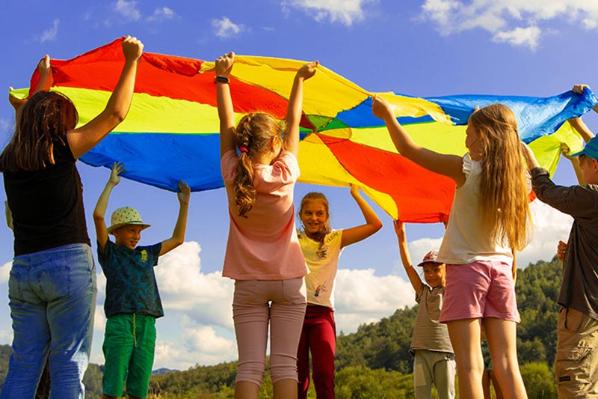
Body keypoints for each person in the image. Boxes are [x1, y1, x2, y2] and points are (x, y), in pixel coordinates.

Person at [0, 36, 143, 399]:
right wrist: (131, 61)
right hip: (67, 266)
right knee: (68, 365)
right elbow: (115, 113)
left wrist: (43, 83)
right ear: (56, 125)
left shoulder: (10, 158)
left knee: (24, 364)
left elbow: (27, 125)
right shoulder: (62, 149)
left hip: (24, 270)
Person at [373, 97, 530, 398]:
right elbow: (520, 150)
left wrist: (388, 116)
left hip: (466, 270)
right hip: (501, 273)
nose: (465, 136)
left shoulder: (467, 169)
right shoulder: (519, 180)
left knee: (471, 364)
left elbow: (410, 150)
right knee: (509, 363)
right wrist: (495, 127)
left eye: (470, 131)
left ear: (485, 136)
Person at [216, 51, 317, 399]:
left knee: (249, 367)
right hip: (289, 282)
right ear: (275, 144)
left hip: (248, 284)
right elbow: (293, 124)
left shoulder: (232, 173)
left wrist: (222, 79)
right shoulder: (285, 173)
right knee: (286, 365)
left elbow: (225, 123)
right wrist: (298, 79)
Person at [521, 84, 598, 398]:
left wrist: (528, 156)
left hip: (584, 312)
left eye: (580, 161)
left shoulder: (591, 197)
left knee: (575, 386)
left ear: (594, 165)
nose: (577, 164)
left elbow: (547, 191)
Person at [93, 163, 190, 399]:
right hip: (120, 323)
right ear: (116, 232)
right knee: (113, 386)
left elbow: (177, 239)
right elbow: (98, 216)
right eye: (130, 231)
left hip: (147, 323)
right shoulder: (110, 252)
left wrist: (184, 204)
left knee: (139, 388)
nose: (136, 236)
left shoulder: (146, 254)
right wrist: (111, 184)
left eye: (139, 231)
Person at [297, 187, 382, 399]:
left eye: (319, 213)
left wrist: (357, 195)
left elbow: (375, 224)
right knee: (297, 376)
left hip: (322, 314)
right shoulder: (292, 236)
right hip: (293, 312)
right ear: (300, 215)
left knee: (324, 374)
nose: (314, 218)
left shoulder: (335, 239)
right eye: (308, 213)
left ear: (327, 216)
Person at [394, 221, 455, 399]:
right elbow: (408, 266)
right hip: (421, 353)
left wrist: (448, 228)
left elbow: (456, 257)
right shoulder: (423, 292)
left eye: (436, 269)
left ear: (446, 268)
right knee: (421, 395)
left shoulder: (451, 290)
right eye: (427, 271)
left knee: (447, 396)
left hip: (444, 352)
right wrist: (401, 237)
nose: (430, 274)